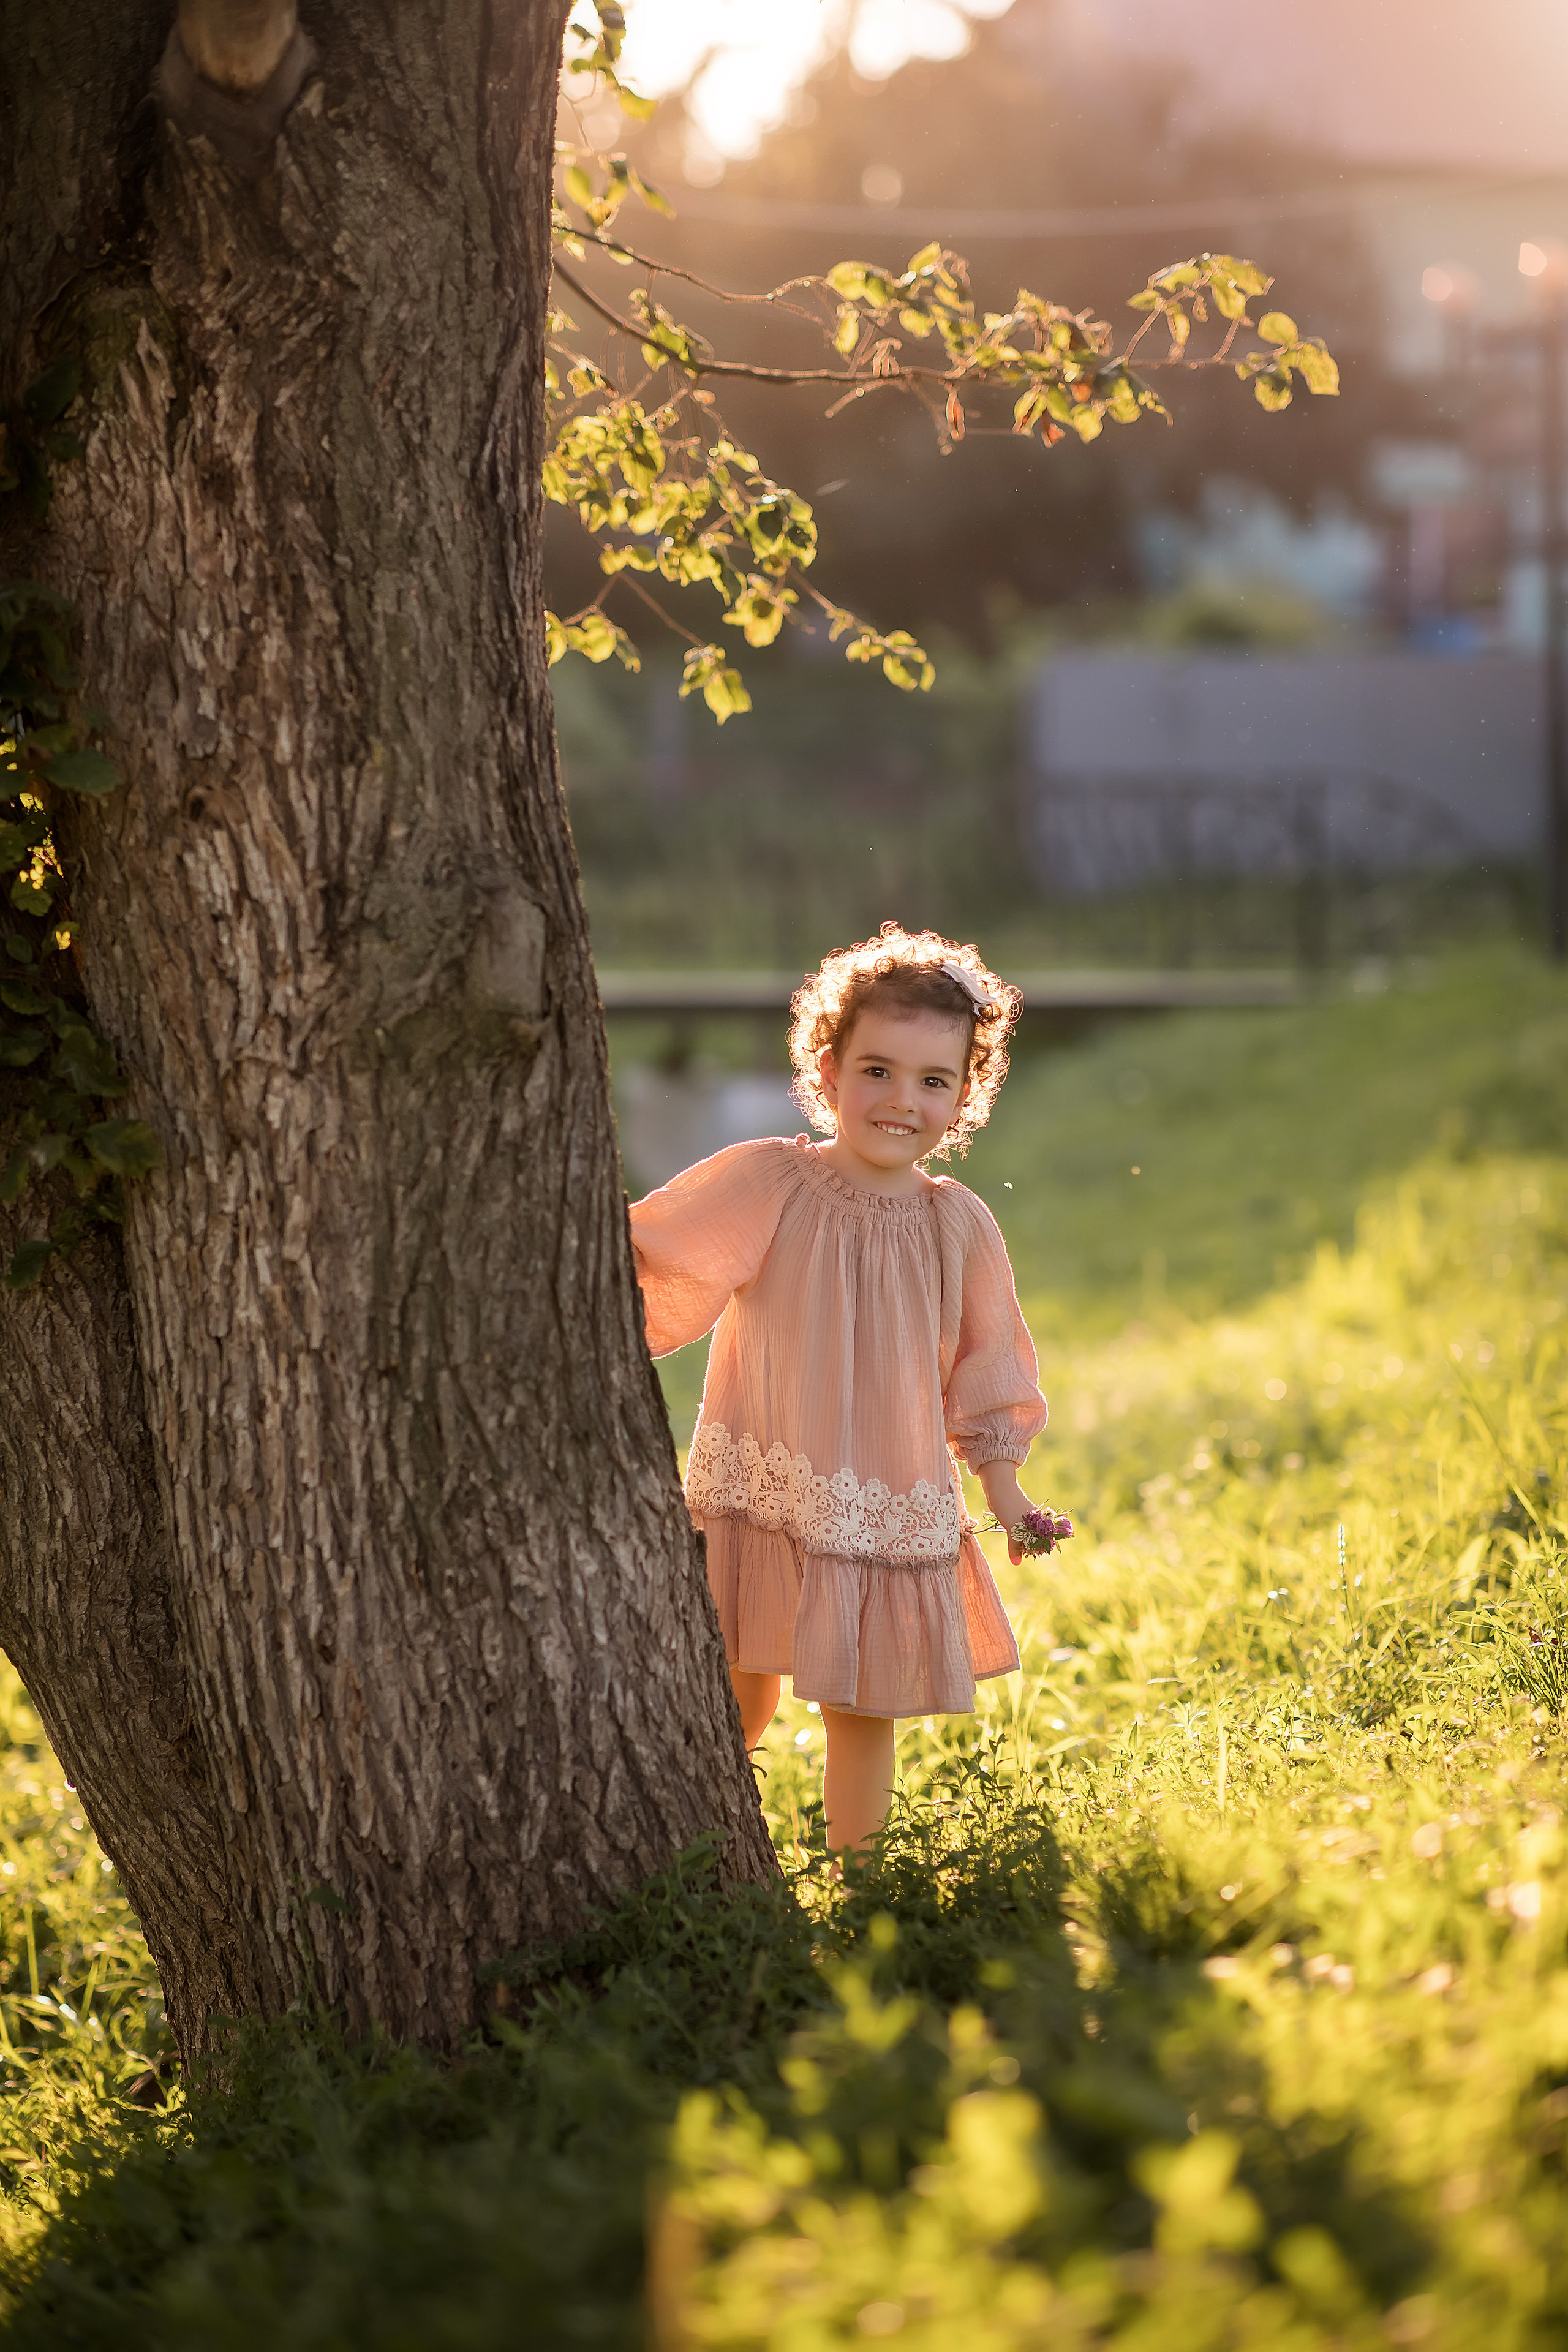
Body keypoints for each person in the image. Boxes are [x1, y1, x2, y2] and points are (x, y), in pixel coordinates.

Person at [628, 923, 1049, 1852]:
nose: (902, 1100)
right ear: (826, 1070)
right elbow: (656, 1254)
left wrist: (1008, 1494)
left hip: (883, 1504)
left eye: (934, 1081)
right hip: (765, 1489)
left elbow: (988, 1371)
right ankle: (703, 1853)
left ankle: (863, 1893)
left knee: (863, 1712)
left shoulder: (959, 1227)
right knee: (738, 1682)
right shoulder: (769, 1182)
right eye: (877, 1071)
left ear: (966, 1096)